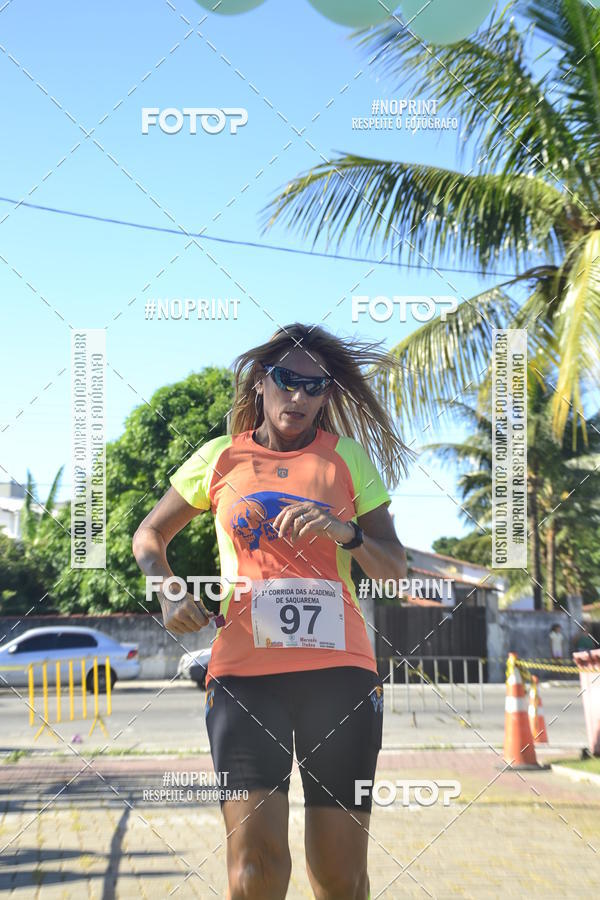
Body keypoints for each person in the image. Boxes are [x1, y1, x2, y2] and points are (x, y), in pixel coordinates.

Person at [133, 323, 411, 900]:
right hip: (243, 678)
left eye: (316, 386)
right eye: (287, 381)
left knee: (339, 876)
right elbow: (149, 535)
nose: (300, 397)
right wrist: (166, 587)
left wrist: (348, 533)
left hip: (341, 677)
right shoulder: (220, 457)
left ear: (327, 395)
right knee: (253, 872)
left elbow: (394, 569)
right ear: (261, 382)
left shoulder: (347, 461)